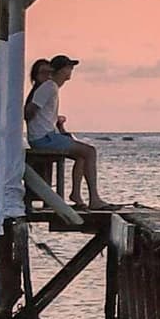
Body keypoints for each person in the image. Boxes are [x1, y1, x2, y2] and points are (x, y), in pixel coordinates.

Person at [24, 53, 102, 208]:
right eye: (69, 67)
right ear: (61, 70)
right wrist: (41, 126)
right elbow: (28, 112)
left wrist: (55, 122)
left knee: (82, 156)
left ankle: (76, 195)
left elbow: (39, 113)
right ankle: (94, 199)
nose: (71, 70)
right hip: (44, 138)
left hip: (47, 135)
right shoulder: (49, 87)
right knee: (90, 151)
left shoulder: (51, 87)